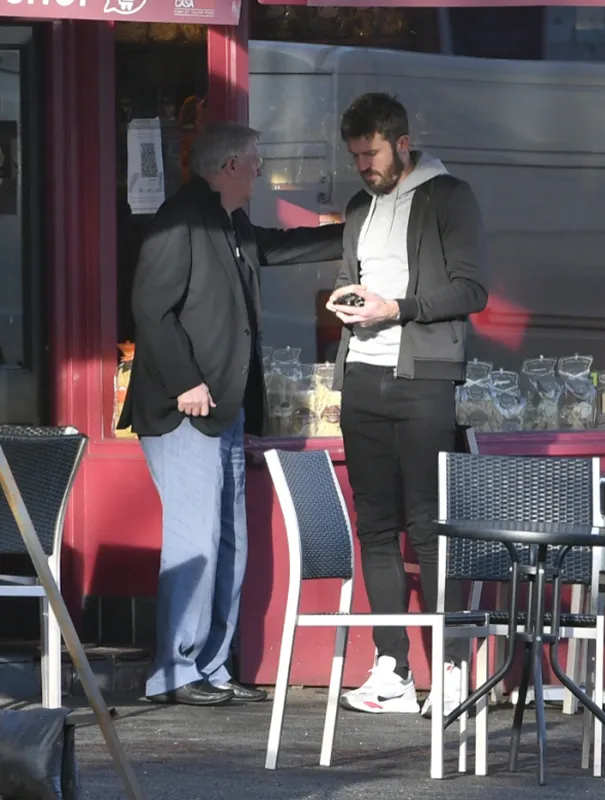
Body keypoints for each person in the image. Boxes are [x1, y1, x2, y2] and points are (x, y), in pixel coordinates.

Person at [119, 121, 343, 707]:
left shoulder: (228, 219)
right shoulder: (180, 219)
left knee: (229, 538)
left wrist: (355, 233)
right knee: (195, 538)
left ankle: (211, 665)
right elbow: (151, 309)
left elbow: (271, 247)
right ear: (230, 168)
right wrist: (186, 382)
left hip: (225, 407)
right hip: (184, 407)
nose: (264, 168)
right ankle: (174, 669)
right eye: (257, 159)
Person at [326, 93, 488, 716]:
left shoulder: (449, 195)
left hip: (424, 379)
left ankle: (448, 669)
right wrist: (348, 301)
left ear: (401, 141)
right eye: (355, 157)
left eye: (370, 154)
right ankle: (390, 668)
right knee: (375, 526)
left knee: (427, 524)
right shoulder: (359, 206)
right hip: (363, 376)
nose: (364, 167)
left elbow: (472, 288)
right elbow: (358, 274)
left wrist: (398, 309)